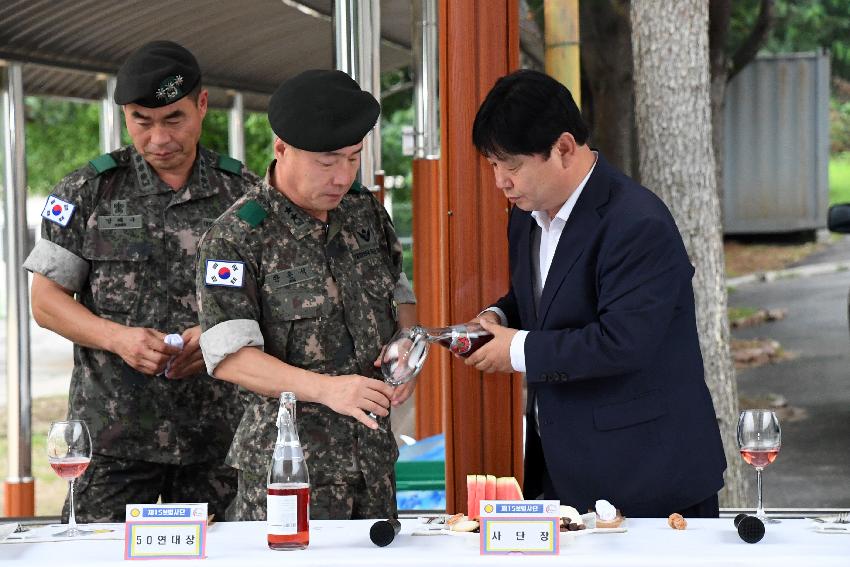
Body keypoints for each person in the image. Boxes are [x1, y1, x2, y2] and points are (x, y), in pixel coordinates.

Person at [466, 69, 727, 518]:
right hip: (565, 471)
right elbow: (545, 301)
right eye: (492, 166)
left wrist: (518, 350)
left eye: (512, 166)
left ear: (564, 148)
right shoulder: (525, 215)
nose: (500, 183)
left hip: (650, 475)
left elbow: (624, 341)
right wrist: (498, 318)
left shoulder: (637, 221)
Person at [23, 41, 257, 522]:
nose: (158, 139)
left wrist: (214, 337)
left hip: (219, 437)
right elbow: (45, 301)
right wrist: (118, 338)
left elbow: (273, 301)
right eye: (140, 121)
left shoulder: (245, 195)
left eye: (173, 119)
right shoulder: (88, 191)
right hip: (113, 437)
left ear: (203, 105)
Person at [196, 69, 417, 521]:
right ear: (281, 148)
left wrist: (406, 351)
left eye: (353, 159)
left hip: (373, 467)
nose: (342, 176)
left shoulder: (364, 212)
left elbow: (398, 290)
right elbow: (231, 357)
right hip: (290, 477)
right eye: (327, 161)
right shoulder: (237, 238)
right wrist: (329, 391)